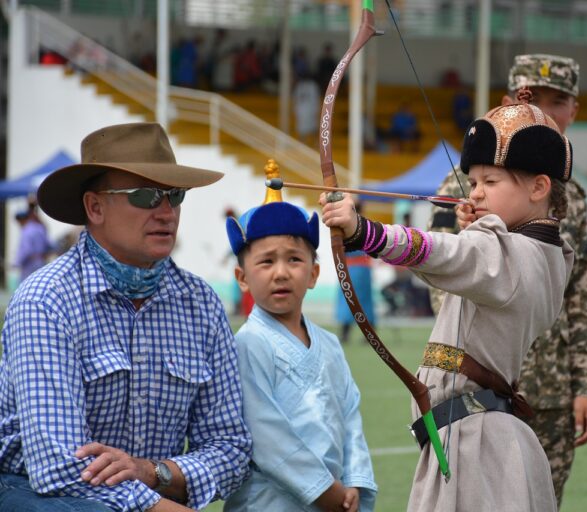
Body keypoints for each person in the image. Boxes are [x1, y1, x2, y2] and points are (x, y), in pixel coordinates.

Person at [322, 101, 574, 512]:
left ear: (539, 187)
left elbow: (442, 253)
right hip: (474, 438)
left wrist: (363, 231)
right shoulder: (544, 258)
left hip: (478, 448)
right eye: (473, 181)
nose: (475, 193)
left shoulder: (509, 257)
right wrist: (479, 231)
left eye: (490, 181)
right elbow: (479, 260)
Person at [0, 122, 252, 511]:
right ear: (94, 207)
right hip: (33, 495)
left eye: (175, 195)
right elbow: (58, 468)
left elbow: (232, 450)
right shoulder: (46, 299)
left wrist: (154, 472)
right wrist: (162, 505)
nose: (167, 211)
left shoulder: (201, 303)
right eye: (147, 196)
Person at [428, 53, 587, 506]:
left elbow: (579, 292)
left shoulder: (574, 198)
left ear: (574, 110)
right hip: (479, 384)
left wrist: (584, 384)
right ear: (507, 104)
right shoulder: (466, 183)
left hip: (551, 387)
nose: (546, 109)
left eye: (557, 101)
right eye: (532, 97)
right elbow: (442, 280)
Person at [222, 200, 377, 512]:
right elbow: (267, 436)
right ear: (242, 278)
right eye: (266, 262)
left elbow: (350, 418)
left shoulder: (330, 344)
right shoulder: (247, 345)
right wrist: (327, 492)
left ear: (313, 273)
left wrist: (355, 482)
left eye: (294, 259)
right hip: (268, 503)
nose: (281, 273)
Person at [335, 203, 377, 343]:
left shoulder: (348, 226)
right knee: (363, 301)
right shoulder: (366, 224)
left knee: (349, 300)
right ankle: (369, 334)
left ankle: (346, 333)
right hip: (361, 269)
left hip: (351, 269)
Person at [13, 208, 52, 282]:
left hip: (29, 266)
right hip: (41, 263)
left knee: (25, 287)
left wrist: (17, 263)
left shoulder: (26, 231)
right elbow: (49, 244)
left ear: (21, 220)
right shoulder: (40, 228)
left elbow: (26, 250)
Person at [293, 70, 321, 145]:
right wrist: (296, 110)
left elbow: (316, 99)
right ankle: (302, 142)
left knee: (314, 127)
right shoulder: (300, 86)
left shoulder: (313, 85)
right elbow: (296, 98)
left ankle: (317, 142)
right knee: (301, 127)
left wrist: (316, 110)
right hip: (302, 110)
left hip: (310, 109)